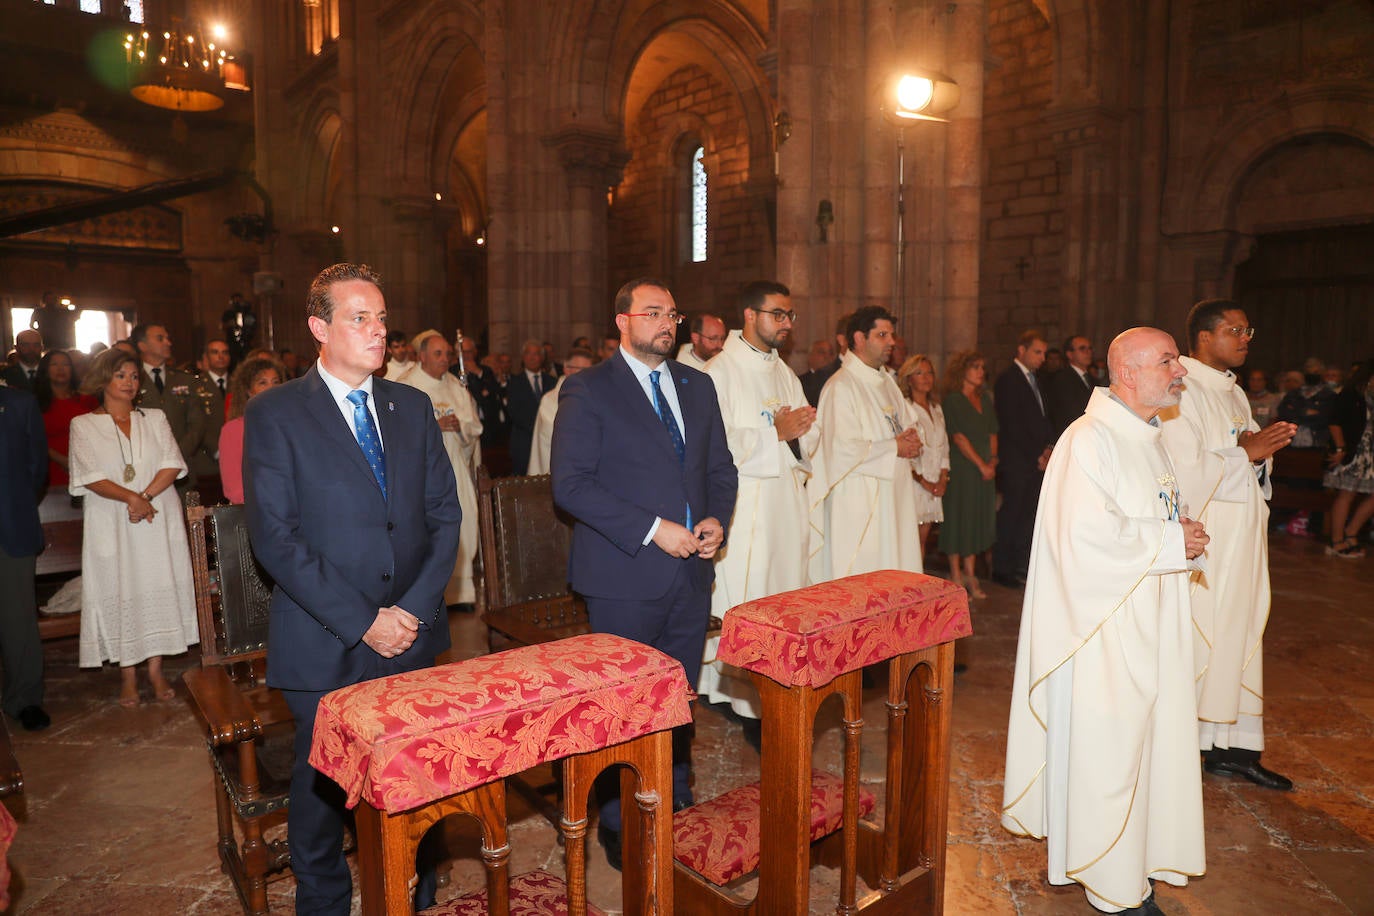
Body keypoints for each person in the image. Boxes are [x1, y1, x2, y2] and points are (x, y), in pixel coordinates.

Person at [244, 263, 460, 914]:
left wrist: (414, 612)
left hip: (412, 638)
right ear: (319, 327)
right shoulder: (277, 412)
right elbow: (276, 540)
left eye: (383, 317)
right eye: (359, 317)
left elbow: (445, 518)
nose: (377, 331)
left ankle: (410, 896)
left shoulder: (413, 406)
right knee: (322, 799)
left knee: (411, 783)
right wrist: (366, 619)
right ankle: (326, 903)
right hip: (324, 639)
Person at [1002, 327, 1209, 915]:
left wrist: (1182, 532)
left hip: (1151, 615)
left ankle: (1132, 861)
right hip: (1105, 627)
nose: (1180, 372)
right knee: (1111, 750)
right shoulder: (1088, 440)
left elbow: (1148, 513)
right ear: (1128, 373)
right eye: (1168, 361)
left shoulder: (1145, 434)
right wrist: (1171, 539)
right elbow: (1084, 540)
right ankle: (1114, 883)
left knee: (1143, 744)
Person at [551, 277, 738, 870]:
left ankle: (675, 796)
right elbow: (572, 486)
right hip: (624, 574)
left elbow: (721, 469)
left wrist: (714, 518)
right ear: (622, 322)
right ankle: (617, 817)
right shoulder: (588, 389)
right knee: (623, 704)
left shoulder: (697, 385)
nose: (666, 322)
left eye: (672, 314)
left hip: (689, 573)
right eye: (652, 312)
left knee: (677, 696)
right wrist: (654, 528)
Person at [1159, 298, 1298, 791]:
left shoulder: (1234, 394)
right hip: (1211, 535)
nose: (1245, 339)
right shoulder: (1181, 389)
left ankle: (1234, 748)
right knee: (1208, 636)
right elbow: (1183, 466)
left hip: (1245, 534)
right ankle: (1192, 744)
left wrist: (1258, 456)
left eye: (1247, 330)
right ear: (1203, 337)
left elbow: (1245, 456)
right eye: (1235, 330)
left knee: (1241, 634)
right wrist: (1246, 453)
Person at [701, 281, 818, 722]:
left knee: (783, 589)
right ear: (749, 315)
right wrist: (777, 434)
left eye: (790, 315)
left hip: (784, 503)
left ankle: (778, 679)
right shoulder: (718, 372)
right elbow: (713, 444)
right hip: (746, 506)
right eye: (778, 314)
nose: (786, 324)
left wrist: (799, 432)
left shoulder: (783, 372)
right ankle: (732, 690)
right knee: (748, 592)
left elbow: (808, 430)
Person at [68, 349, 199, 707]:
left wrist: (143, 497)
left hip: (156, 515)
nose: (129, 382)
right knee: (121, 587)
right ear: (102, 380)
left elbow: (173, 462)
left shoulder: (153, 418)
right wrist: (131, 499)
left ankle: (155, 671)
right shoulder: (83, 425)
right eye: (121, 375)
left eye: (134, 376)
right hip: (113, 519)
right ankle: (128, 674)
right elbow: (90, 476)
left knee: (157, 584)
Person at [809, 306, 924, 583]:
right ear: (859, 339)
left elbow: (909, 424)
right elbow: (840, 449)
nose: (891, 342)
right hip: (860, 505)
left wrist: (913, 439)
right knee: (863, 581)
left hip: (894, 499)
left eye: (892, 335)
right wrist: (894, 447)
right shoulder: (841, 386)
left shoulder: (887, 382)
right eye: (882, 335)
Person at [397, 330, 483, 608]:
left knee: (466, 520)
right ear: (421, 356)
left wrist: (461, 427)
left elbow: (474, 425)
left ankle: (462, 593)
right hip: (422, 473)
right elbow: (396, 430)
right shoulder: (405, 386)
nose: (445, 359)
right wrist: (435, 427)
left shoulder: (456, 387)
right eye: (438, 354)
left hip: (455, 464)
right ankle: (432, 595)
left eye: (447, 353)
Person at [0, 384, 51, 731]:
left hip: (9, 523)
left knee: (17, 618)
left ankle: (25, 699)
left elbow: (36, 467)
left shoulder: (19, 403)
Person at [992, 330, 1053, 587]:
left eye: (1044, 354)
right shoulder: (1008, 379)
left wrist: (1049, 447)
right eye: (1037, 352)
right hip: (1017, 459)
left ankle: (1020, 564)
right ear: (1021, 350)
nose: (1042, 358)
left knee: (1028, 515)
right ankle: (1002, 568)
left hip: (1036, 459)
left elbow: (1041, 417)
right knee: (1012, 513)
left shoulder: (1035, 380)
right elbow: (1012, 424)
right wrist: (1036, 455)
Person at [940, 350, 998, 597]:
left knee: (976, 518)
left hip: (985, 467)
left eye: (982, 368)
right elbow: (959, 437)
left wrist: (993, 461)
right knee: (958, 516)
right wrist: (981, 464)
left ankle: (971, 573)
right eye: (975, 367)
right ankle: (956, 573)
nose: (980, 372)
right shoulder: (953, 401)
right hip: (964, 467)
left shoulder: (984, 399)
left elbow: (993, 432)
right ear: (962, 371)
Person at [131, 322, 211, 488]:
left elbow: (197, 424)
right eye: (160, 338)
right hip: (145, 468)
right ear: (142, 345)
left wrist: (176, 454)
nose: (168, 343)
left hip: (182, 468)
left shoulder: (184, 380)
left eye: (168, 338)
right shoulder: (132, 380)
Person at [897, 354, 950, 560]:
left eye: (929, 373)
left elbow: (944, 446)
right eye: (919, 373)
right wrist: (922, 480)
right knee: (909, 539)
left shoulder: (937, 409)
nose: (926, 377)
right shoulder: (905, 408)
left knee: (923, 540)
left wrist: (943, 478)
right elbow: (904, 450)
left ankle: (917, 584)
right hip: (914, 482)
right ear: (909, 379)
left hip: (934, 482)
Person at [217, 354, 285, 504]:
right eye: (262, 383)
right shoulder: (234, 430)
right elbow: (234, 489)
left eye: (276, 382)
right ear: (249, 391)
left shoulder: (292, 423)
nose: (271, 388)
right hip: (258, 511)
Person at [1323, 357, 1374, 558]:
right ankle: (1336, 541)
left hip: (1371, 451)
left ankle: (1351, 532)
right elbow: (1334, 422)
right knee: (1347, 493)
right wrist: (1340, 447)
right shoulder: (1351, 393)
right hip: (1354, 449)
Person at [34, 349, 98, 495]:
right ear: (45, 369)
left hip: (86, 467)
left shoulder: (87, 400)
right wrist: (63, 460)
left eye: (66, 365)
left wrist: (78, 461)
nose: (61, 369)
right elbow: (33, 438)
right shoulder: (35, 403)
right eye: (55, 364)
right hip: (51, 468)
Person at [527, 346, 594, 475]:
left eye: (591, 370)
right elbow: (558, 437)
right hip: (557, 473)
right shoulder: (550, 400)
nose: (588, 376)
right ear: (566, 368)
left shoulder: (594, 396)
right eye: (583, 370)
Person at [506, 340, 557, 475]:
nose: (532, 357)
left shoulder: (552, 382)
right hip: (523, 443)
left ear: (542, 358)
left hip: (547, 442)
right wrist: (537, 427)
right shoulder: (514, 382)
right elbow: (514, 411)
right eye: (529, 354)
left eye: (536, 354)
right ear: (523, 357)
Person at [1047, 335, 1100, 439]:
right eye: (1082, 348)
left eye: (1089, 348)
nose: (1088, 352)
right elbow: (1071, 413)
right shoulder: (1062, 379)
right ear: (1070, 354)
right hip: (1074, 435)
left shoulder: (1093, 380)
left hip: (1092, 433)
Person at [801, 313, 850, 408]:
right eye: (821, 352)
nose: (827, 357)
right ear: (842, 340)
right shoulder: (821, 377)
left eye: (830, 353)